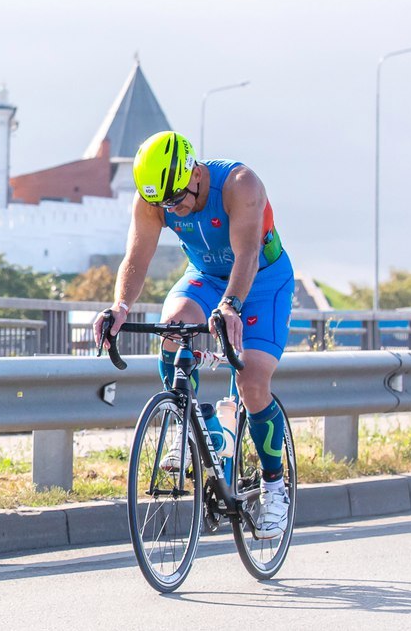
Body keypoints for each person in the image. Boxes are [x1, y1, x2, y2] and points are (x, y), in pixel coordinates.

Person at [94, 130, 295, 538]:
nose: (175, 210)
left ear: (196, 173)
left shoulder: (241, 185)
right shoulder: (154, 201)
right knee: (173, 326)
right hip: (204, 276)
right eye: (164, 204)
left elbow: (247, 255)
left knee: (252, 380)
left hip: (261, 282)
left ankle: (275, 487)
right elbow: (137, 258)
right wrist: (120, 307)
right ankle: (197, 425)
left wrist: (231, 306)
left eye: (178, 198)